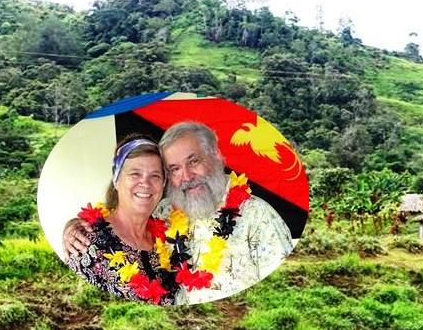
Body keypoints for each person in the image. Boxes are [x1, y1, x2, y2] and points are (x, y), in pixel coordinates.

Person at [65, 122, 294, 304]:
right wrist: (74, 226)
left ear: (215, 156)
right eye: (174, 169)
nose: (185, 176)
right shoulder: (165, 214)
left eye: (193, 161)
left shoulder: (259, 216)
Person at [65, 136, 176, 305]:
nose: (145, 183)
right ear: (116, 180)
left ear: (163, 185)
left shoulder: (169, 239)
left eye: (155, 176)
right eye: (135, 174)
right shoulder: (86, 241)